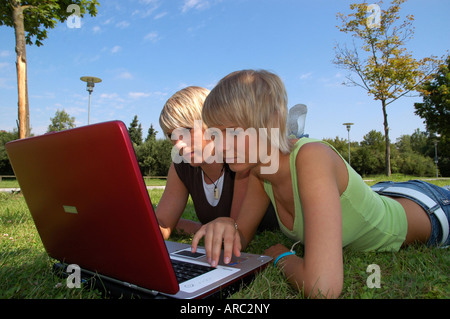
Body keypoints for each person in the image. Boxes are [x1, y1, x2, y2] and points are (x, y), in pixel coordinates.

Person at [191, 70, 450, 298]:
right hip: (385, 192)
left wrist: (281, 254)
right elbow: (242, 236)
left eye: (233, 131)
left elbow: (322, 288)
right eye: (215, 132)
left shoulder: (311, 157)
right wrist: (229, 225)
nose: (220, 145)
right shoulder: (258, 173)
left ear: (270, 122)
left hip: (431, 209)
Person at [156, 86, 277, 240]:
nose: (178, 144)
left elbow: (234, 232)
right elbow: (162, 225)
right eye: (171, 135)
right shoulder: (181, 166)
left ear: (212, 123)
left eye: (186, 130)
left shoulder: (241, 160)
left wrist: (199, 228)